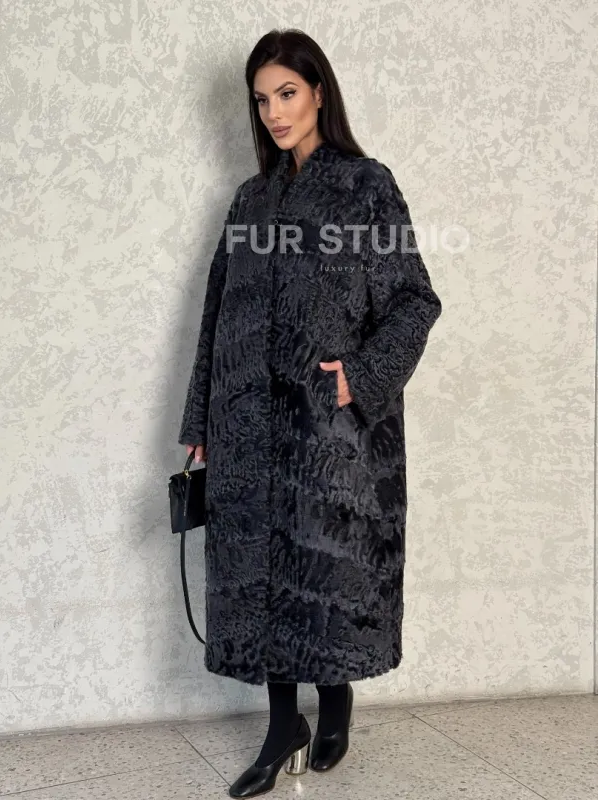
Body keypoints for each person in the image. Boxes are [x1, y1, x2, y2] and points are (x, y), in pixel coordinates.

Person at [178, 28, 442, 799]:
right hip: (247, 427)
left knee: (323, 576)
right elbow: (216, 317)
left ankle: (336, 701)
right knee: (261, 578)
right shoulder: (250, 200)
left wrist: (358, 378)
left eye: (287, 93)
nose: (274, 112)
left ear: (319, 92)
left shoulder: (365, 187)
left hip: (329, 434)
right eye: (262, 99)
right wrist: (201, 425)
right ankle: (281, 724)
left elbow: (414, 301)